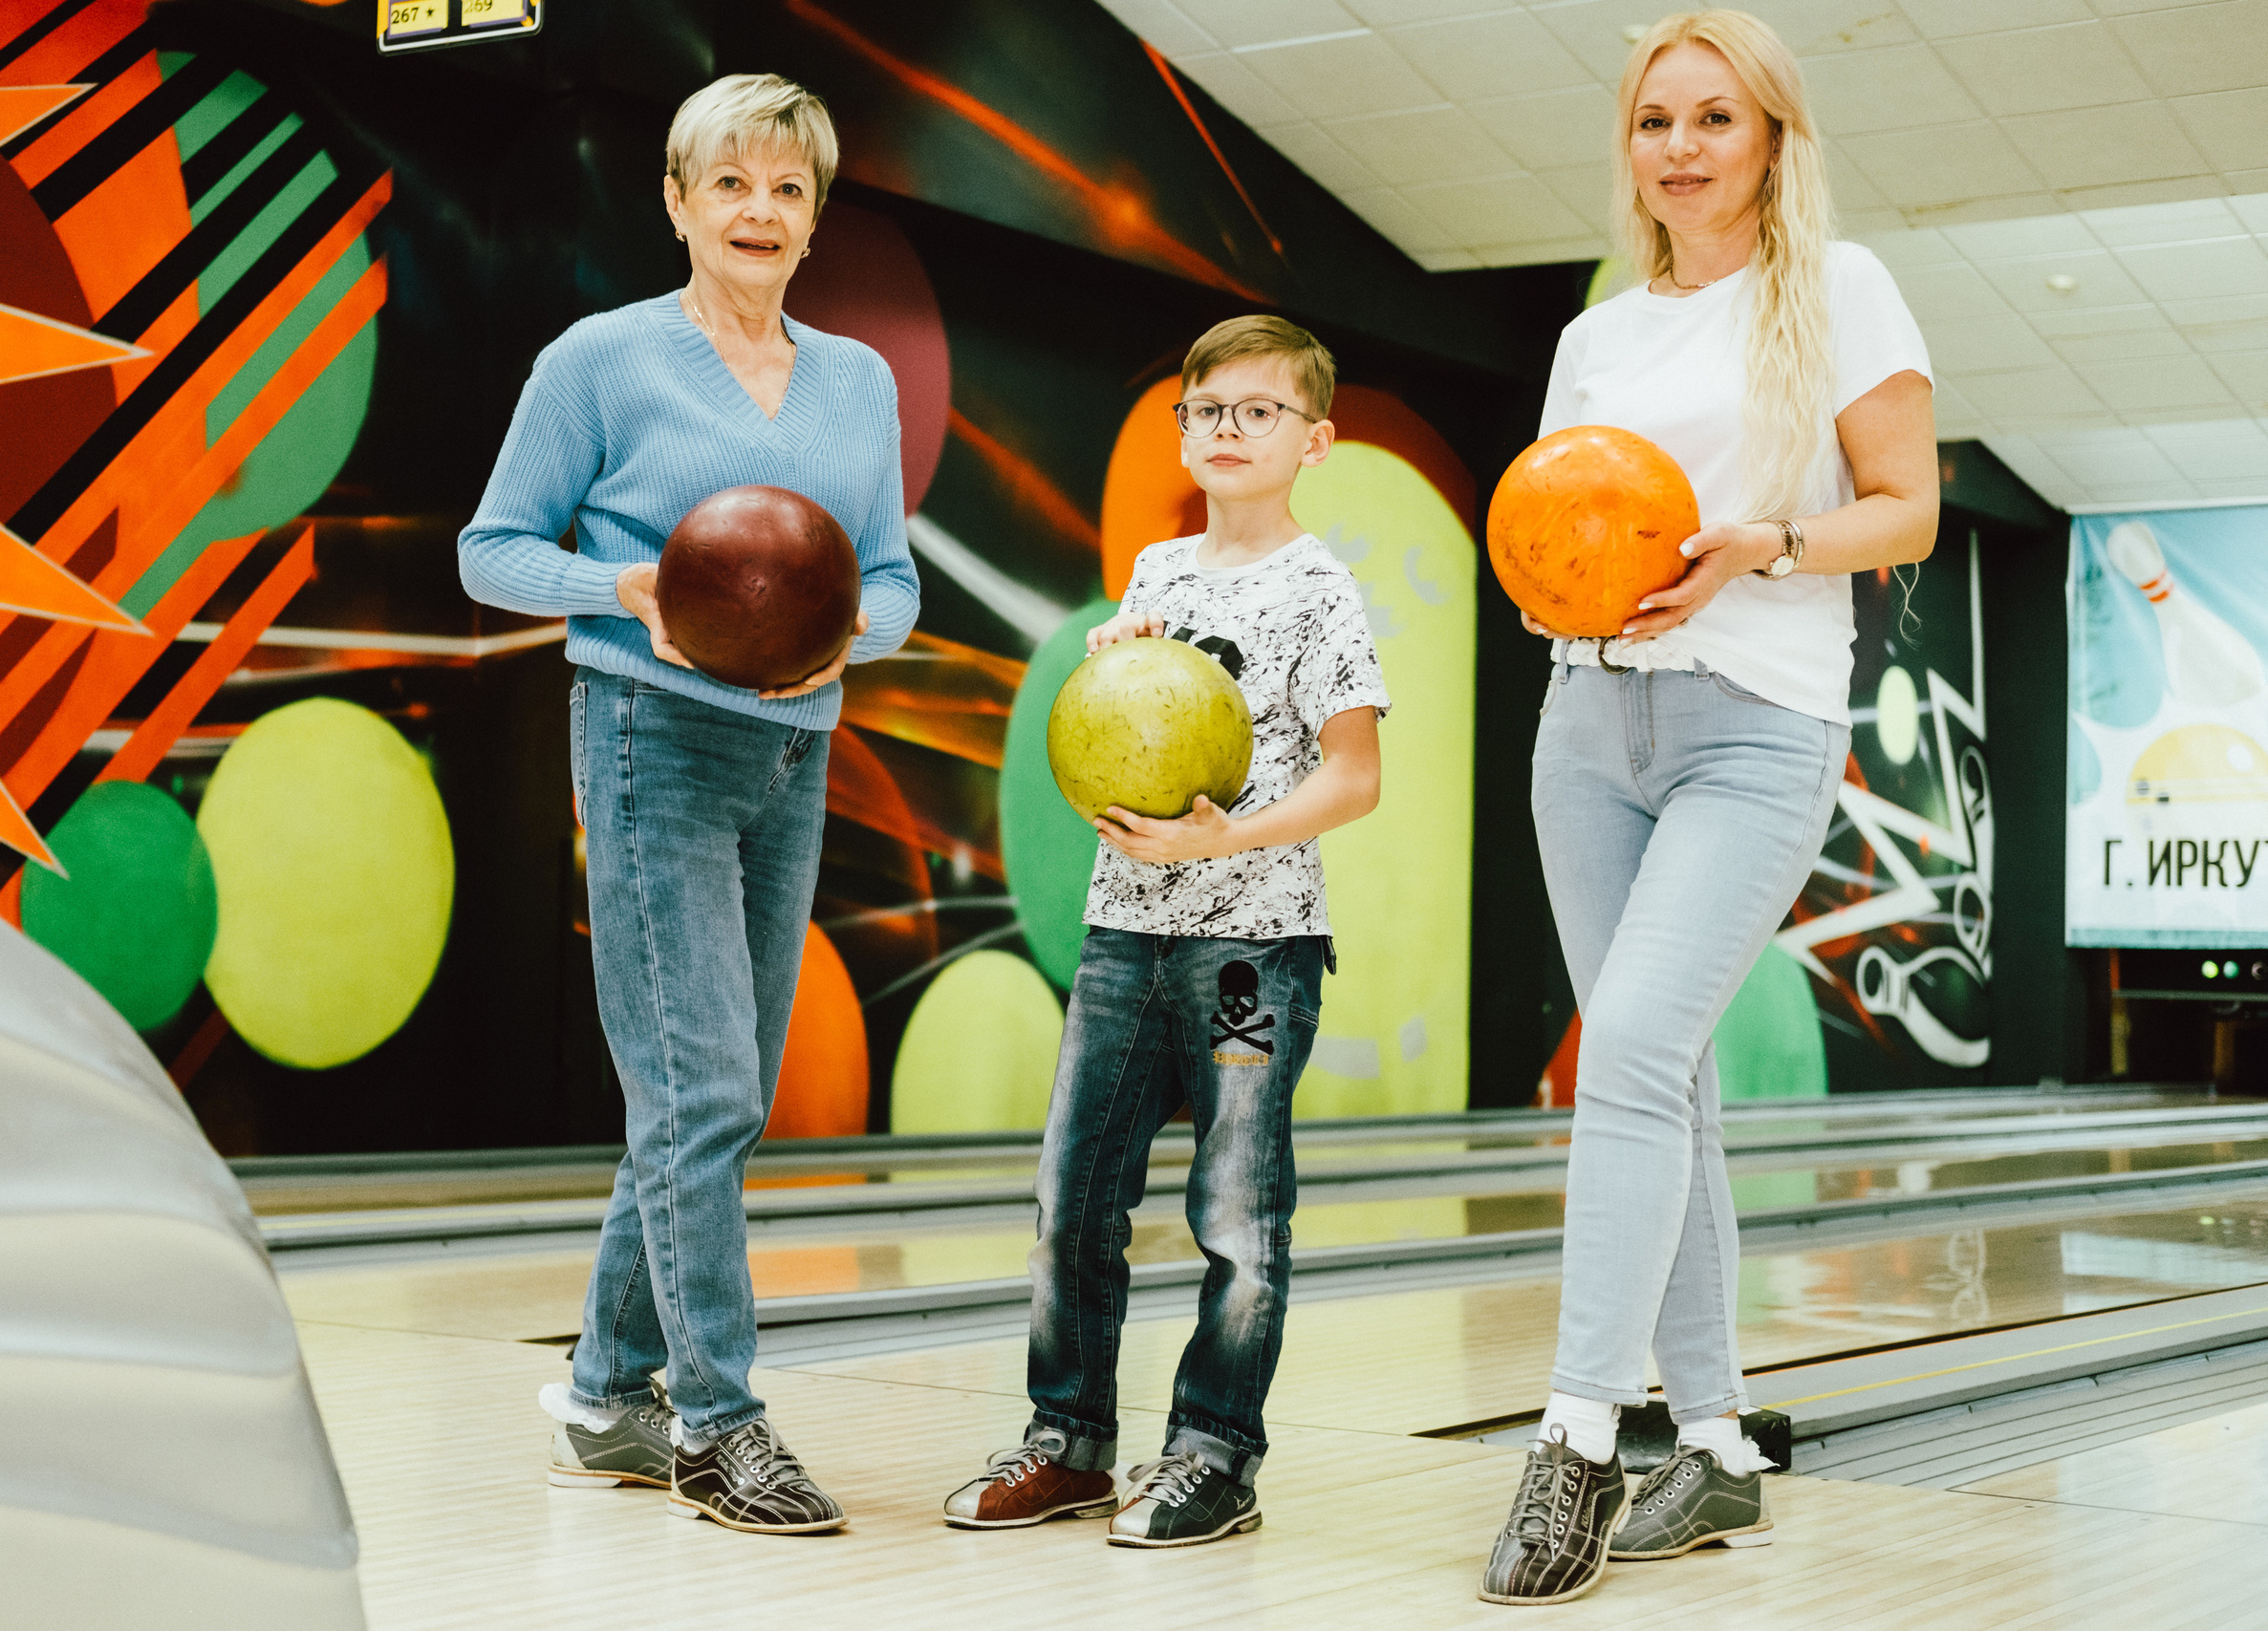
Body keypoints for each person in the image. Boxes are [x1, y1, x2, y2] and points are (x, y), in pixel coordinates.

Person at [1477, 9, 1936, 1606]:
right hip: (1588, 724)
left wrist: (1762, 545)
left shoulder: (1840, 289)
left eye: (1714, 119)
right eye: (1656, 120)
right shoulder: (1598, 335)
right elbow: (1558, 527)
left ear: (1771, 140)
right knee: (1664, 1086)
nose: (1680, 147)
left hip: (1758, 727)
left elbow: (1910, 507)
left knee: (1631, 1055)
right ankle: (1721, 1445)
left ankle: (1581, 1436)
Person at [456, 73, 919, 1535]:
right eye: (732, 184)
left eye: (788, 190)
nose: (760, 213)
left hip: (799, 753)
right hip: (653, 737)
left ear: (813, 216)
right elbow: (491, 552)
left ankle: (603, 1395)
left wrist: (850, 632)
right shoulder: (602, 360)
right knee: (704, 1094)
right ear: (677, 201)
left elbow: (893, 578)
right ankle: (717, 1420)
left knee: (709, 1103)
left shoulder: (859, 380)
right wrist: (629, 589)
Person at [940, 315, 1389, 1548]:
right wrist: (1107, 673)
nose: (1230, 429)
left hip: (1254, 946)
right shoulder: (1154, 575)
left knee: (1236, 1210)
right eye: (1208, 411)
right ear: (1182, 433)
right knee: (1073, 1194)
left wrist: (1219, 844)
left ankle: (1214, 1456)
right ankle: (1069, 1442)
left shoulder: (1320, 589)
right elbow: (1118, 731)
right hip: (1124, 933)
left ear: (1317, 440)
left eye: (1260, 411)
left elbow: (1355, 779)